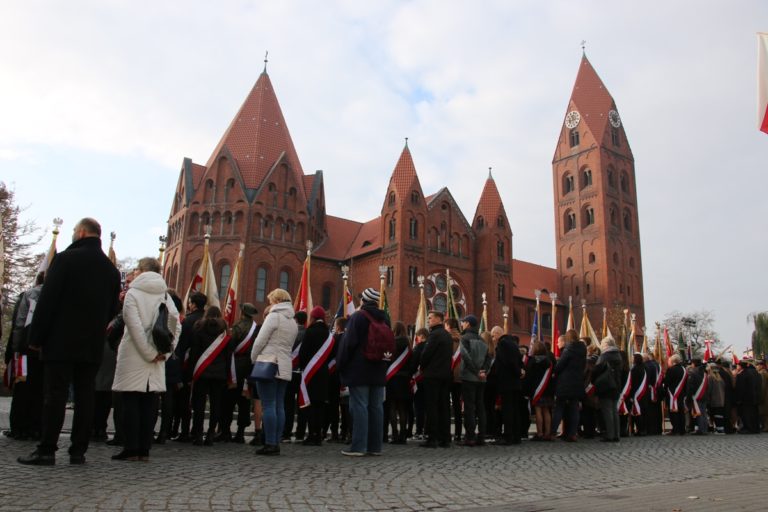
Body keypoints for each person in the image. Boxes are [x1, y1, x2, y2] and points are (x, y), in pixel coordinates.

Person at [19, 218, 121, 466]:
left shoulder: (64, 260)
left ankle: (46, 449)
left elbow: (47, 302)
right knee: (86, 396)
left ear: (82, 232)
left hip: (60, 341)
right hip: (92, 344)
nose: (73, 235)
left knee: (54, 395)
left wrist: (36, 338)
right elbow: (112, 309)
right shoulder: (110, 270)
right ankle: (78, 451)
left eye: (75, 231)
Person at [110, 257, 180, 461]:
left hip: (135, 355)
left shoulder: (133, 293)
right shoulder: (165, 295)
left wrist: (148, 353)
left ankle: (131, 448)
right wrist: (164, 353)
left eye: (136, 269)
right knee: (150, 404)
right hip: (157, 357)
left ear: (142, 271)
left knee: (131, 402)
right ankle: (144, 450)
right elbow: (176, 325)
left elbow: (134, 327)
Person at [337, 287, 391, 456]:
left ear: (363, 301)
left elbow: (349, 343)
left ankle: (358, 446)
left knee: (359, 406)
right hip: (379, 368)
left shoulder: (358, 317)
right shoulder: (385, 318)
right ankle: (375, 447)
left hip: (359, 368)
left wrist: (341, 363)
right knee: (376, 407)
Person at [250, 289, 298, 455]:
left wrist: (253, 358)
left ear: (276, 300)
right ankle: (276, 440)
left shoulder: (273, 316)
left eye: (271, 301)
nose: (269, 304)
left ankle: (270, 443)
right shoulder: (292, 321)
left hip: (269, 363)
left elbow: (260, 341)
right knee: (279, 405)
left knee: (268, 404)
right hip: (284, 366)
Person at [8, 272, 45, 441]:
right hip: (45, 350)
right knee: (40, 390)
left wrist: (15, 349)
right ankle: (36, 427)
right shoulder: (59, 295)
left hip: (25, 349)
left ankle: (18, 427)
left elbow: (20, 322)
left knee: (22, 389)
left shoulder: (28, 295)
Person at [219, 303, 259, 444]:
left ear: (242, 312)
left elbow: (230, 346)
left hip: (235, 367)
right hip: (250, 367)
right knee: (244, 400)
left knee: (229, 399)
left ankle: (225, 431)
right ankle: (240, 433)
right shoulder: (256, 329)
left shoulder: (237, 327)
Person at [189, 306, 229, 446]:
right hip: (219, 374)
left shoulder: (199, 328)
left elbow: (194, 352)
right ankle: (211, 435)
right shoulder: (225, 331)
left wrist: (191, 372)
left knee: (199, 405)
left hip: (202, 371)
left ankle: (198, 434)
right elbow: (228, 356)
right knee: (216, 405)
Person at [171, 291, 206, 442]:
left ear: (194, 304)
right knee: (199, 401)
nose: (189, 305)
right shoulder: (209, 320)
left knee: (183, 400)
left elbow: (181, 345)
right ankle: (197, 432)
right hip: (204, 366)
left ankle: (183, 431)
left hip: (187, 366)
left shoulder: (188, 321)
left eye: (190, 302)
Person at [419, 310, 454, 449]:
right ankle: (445, 438)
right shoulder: (447, 335)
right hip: (445, 375)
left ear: (439, 319)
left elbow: (426, 354)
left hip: (433, 375)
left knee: (432, 406)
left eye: (431, 318)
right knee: (444, 406)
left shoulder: (434, 335)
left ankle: (432, 438)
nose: (428, 320)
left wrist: (422, 365)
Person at [299, 306, 331, 446]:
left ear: (312, 317)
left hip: (310, 372)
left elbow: (303, 352)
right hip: (324, 373)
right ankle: (319, 434)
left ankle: (311, 434)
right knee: (320, 405)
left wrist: (303, 367)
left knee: (310, 404)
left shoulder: (310, 331)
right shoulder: (328, 334)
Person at [550, 329, 586, 442]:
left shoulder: (569, 349)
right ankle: (572, 433)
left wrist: (555, 369)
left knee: (559, 407)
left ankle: (552, 432)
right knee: (574, 408)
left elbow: (560, 365)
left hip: (565, 383)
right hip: (577, 382)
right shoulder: (582, 349)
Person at [459, 315, 489, 446]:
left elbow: (466, 356)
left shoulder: (464, 338)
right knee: (481, 406)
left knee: (470, 408)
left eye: (463, 322)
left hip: (469, 377)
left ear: (468, 324)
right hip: (481, 379)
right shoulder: (483, 340)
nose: (462, 324)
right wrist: (484, 371)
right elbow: (489, 358)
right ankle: (482, 436)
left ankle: (470, 437)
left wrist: (476, 371)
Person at [491, 327, 524, 445]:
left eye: (493, 336)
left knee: (508, 410)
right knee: (515, 409)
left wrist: (517, 372)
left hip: (507, 382)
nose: (493, 339)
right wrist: (520, 372)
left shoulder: (503, 344)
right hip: (515, 383)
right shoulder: (513, 343)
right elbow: (519, 361)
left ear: (498, 334)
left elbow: (507, 362)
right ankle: (516, 436)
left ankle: (508, 436)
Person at [386, 321, 412, 445]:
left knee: (392, 407)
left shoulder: (392, 342)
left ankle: (395, 435)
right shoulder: (408, 343)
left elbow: (387, 360)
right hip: (404, 379)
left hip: (393, 378)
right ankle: (403, 435)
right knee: (403, 408)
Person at [593, 336, 622, 442]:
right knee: (614, 411)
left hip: (606, 386)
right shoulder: (618, 355)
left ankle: (610, 435)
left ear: (605, 345)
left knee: (607, 411)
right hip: (616, 386)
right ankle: (616, 434)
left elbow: (597, 369)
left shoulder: (605, 355)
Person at [526, 341, 554, 441]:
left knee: (538, 411)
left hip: (537, 390)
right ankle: (547, 433)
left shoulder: (532, 361)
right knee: (546, 411)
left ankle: (540, 433)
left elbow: (529, 376)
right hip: (547, 389)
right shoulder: (548, 361)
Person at [445, 317, 463, 442]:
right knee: (457, 406)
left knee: (446, 405)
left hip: (449, 375)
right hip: (460, 377)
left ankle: (446, 433)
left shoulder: (446, 339)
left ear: (449, 326)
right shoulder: (463, 339)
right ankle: (458, 433)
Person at [664, 354, 688, 435]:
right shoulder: (684, 369)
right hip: (681, 393)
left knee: (673, 412)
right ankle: (682, 429)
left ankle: (675, 429)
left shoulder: (671, 370)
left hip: (672, 394)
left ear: (672, 362)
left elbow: (667, 382)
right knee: (681, 412)